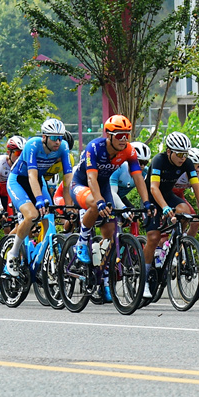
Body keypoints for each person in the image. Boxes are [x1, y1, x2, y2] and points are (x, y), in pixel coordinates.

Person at [70, 115, 153, 300]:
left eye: (127, 135)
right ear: (109, 135)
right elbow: (91, 178)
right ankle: (81, 244)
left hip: (104, 185)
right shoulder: (94, 147)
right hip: (82, 184)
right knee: (93, 203)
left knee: (109, 234)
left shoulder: (129, 151)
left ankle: (103, 279)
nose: (124, 140)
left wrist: (147, 203)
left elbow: (138, 178)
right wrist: (99, 201)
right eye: (120, 136)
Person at [144, 131, 199, 298]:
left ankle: (174, 242)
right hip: (152, 196)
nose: (183, 158)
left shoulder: (187, 163)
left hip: (168, 195)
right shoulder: (159, 160)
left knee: (185, 210)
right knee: (153, 237)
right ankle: (144, 280)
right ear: (169, 152)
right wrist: (165, 208)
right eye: (179, 154)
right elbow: (153, 188)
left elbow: (196, 187)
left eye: (185, 154)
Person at [5, 118, 74, 275]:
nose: (58, 141)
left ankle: (41, 256)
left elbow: (68, 181)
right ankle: (13, 253)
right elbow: (31, 175)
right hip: (19, 180)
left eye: (60, 137)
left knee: (49, 220)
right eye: (54, 137)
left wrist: (70, 207)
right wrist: (39, 200)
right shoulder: (33, 145)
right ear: (44, 137)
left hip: (38, 181)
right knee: (32, 215)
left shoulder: (63, 147)